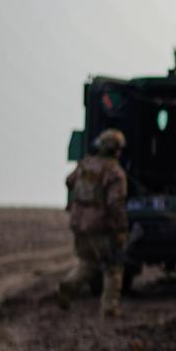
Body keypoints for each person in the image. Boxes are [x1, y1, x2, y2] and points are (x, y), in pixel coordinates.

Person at [57, 128, 129, 316]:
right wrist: (122, 228)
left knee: (87, 262)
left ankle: (70, 285)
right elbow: (115, 203)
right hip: (100, 226)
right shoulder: (115, 172)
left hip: (79, 223)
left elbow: (69, 181)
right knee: (112, 266)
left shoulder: (86, 165)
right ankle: (110, 308)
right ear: (117, 150)